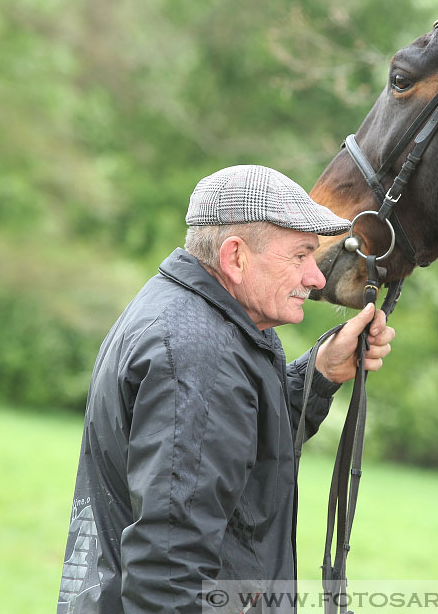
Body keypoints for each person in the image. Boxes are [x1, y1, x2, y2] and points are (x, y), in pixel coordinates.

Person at [56, 165, 395, 613]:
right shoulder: (199, 355)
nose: (316, 280)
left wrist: (320, 372)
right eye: (300, 256)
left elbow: (237, 448)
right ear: (236, 257)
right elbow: (169, 576)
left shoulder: (192, 316)